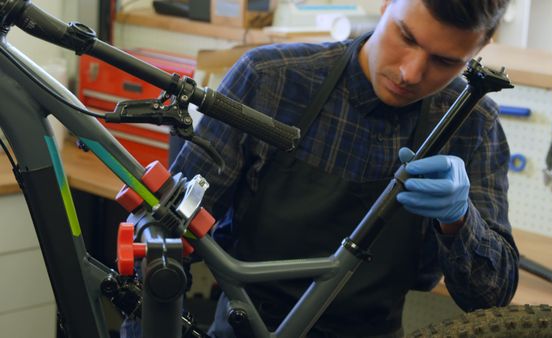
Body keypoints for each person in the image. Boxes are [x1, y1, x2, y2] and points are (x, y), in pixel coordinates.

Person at [170, 0, 519, 337]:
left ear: (480, 48)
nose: (409, 73)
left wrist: (459, 220)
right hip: (246, 326)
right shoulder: (270, 81)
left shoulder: (472, 124)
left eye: (444, 61)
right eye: (407, 37)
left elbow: (490, 295)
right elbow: (165, 231)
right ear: (386, 4)